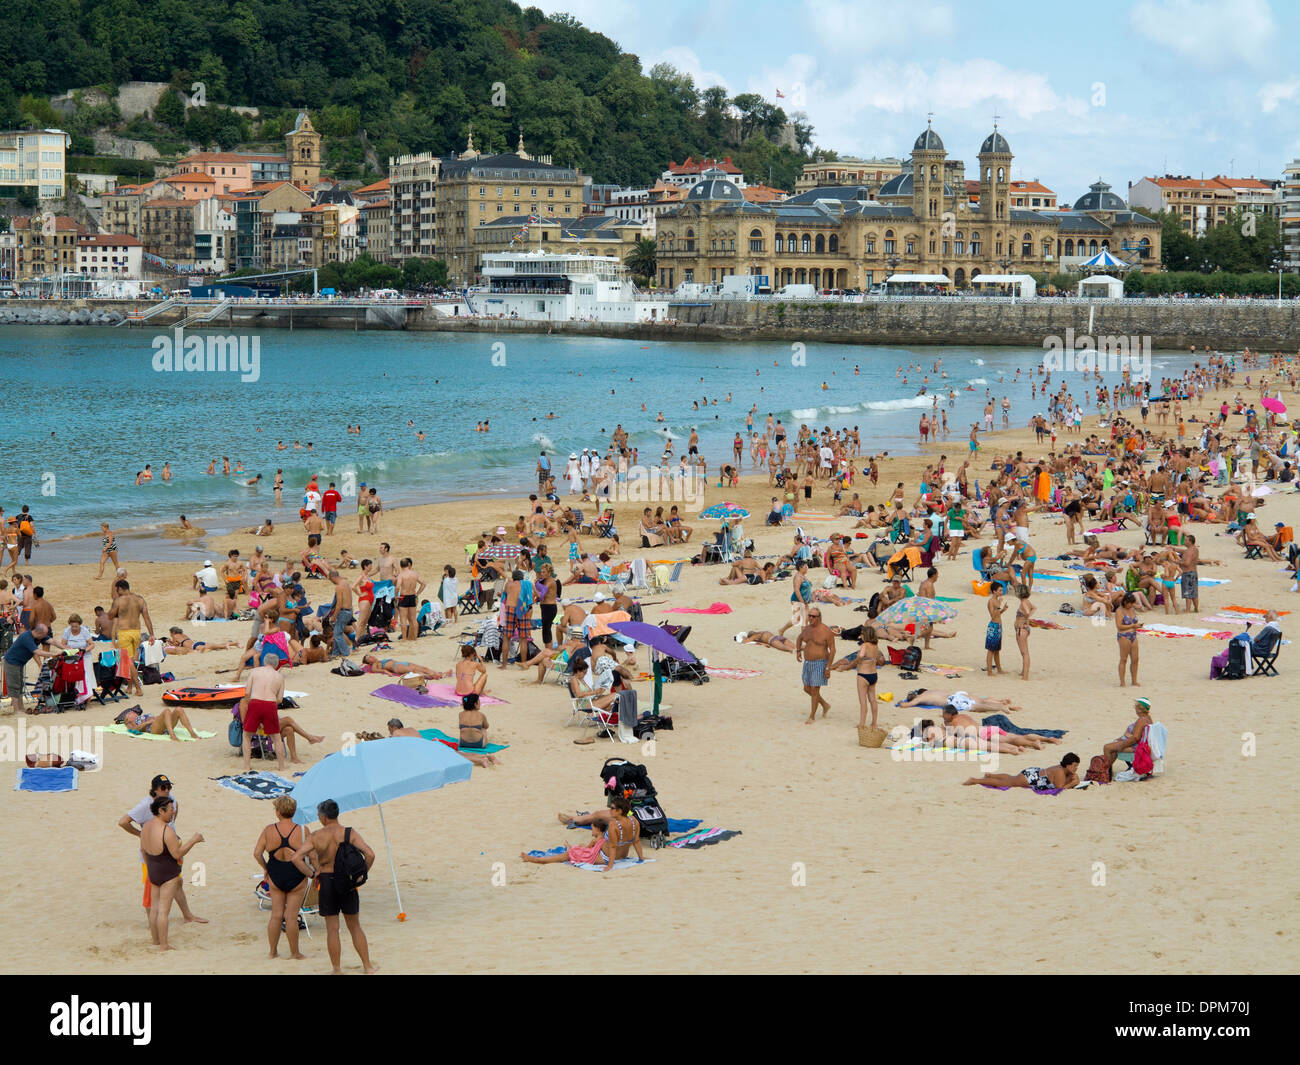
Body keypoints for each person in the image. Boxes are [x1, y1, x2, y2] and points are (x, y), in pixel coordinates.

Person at [291, 799, 378, 974]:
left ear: (323, 817)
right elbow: (370, 854)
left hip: (327, 881)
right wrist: (360, 876)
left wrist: (312, 874)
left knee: (332, 928)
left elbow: (296, 858)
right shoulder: (348, 832)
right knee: (355, 926)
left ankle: (337, 969)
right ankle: (368, 967)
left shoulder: (316, 836)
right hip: (347, 882)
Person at [119, 774, 207, 925]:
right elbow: (123, 822)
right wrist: (140, 834)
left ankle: (187, 915)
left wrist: (169, 827)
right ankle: (152, 925)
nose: (167, 790)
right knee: (152, 891)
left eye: (169, 787)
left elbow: (175, 810)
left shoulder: (170, 799)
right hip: (153, 857)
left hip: (170, 851)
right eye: (163, 788)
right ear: (154, 790)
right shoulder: (144, 805)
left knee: (176, 882)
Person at [140, 793, 204, 950]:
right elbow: (177, 854)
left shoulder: (146, 826)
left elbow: (143, 850)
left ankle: (155, 940)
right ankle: (164, 945)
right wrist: (193, 841)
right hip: (168, 873)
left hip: (153, 871)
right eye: (171, 810)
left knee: (154, 909)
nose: (173, 812)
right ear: (161, 811)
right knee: (163, 911)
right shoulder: (166, 830)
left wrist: (150, 869)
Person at [521, 794, 644, 872]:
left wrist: (610, 865)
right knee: (578, 848)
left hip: (604, 857)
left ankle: (537, 860)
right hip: (622, 856)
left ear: (619, 810)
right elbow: (636, 841)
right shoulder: (634, 821)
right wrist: (641, 858)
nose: (609, 810)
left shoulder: (613, 825)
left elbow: (612, 847)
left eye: (612, 808)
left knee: (568, 855)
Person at [255, 795, 310, 960]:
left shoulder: (269, 830)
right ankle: (295, 953)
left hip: (276, 874)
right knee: (291, 917)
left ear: (278, 812)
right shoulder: (302, 830)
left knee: (276, 915)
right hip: (296, 874)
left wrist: (266, 869)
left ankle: (272, 952)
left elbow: (257, 853)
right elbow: (312, 855)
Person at [239, 656, 287, 771]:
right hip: (270, 704)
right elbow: (280, 699)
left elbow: (247, 692)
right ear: (276, 665)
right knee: (276, 738)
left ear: (264, 662)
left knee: (246, 735)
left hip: (255, 702)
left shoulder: (255, 671)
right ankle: (281, 767)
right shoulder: (279, 677)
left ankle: (247, 766)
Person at [3, 622, 58, 714]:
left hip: (19, 663)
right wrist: (53, 654)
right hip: (12, 662)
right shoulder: (26, 637)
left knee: (20, 685)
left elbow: (53, 641)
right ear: (39, 633)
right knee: (14, 686)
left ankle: (21, 708)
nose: (45, 637)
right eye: (44, 635)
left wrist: (66, 648)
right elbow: (38, 652)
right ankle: (16, 710)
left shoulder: (38, 636)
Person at [795, 607, 835, 725]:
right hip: (808, 663)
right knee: (806, 688)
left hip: (820, 663)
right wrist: (798, 651)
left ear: (819, 617)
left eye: (813, 616)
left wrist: (828, 667)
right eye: (809, 616)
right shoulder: (807, 629)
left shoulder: (826, 631)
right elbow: (799, 638)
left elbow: (832, 650)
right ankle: (825, 705)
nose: (811, 618)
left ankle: (812, 716)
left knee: (814, 689)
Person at [962, 754, 1080, 790]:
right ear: (1068, 765)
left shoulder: (1061, 769)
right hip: (1031, 778)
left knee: (1011, 778)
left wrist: (1072, 777)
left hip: (1034, 773)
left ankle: (991, 775)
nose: (1076, 769)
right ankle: (975, 780)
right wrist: (1073, 783)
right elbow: (1059, 788)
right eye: (1074, 766)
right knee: (1008, 783)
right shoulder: (1060, 772)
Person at [1101, 698, 1154, 775]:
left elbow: (1136, 738)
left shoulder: (1141, 720)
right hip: (1140, 745)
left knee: (1107, 747)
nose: (1134, 708)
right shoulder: (1148, 718)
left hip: (1137, 747)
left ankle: (1106, 773)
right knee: (1113, 746)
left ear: (1139, 709)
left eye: (1135, 706)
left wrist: (1122, 745)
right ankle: (1107, 770)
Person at [855, 628, 887, 729]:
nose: (861, 636)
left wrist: (858, 661)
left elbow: (861, 655)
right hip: (873, 674)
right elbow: (878, 659)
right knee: (873, 700)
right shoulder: (875, 646)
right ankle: (874, 723)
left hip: (863, 675)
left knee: (863, 701)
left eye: (862, 634)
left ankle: (862, 724)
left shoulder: (864, 645)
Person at [1115, 592, 1141, 688]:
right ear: (1125, 602)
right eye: (1130, 603)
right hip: (1124, 636)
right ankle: (1122, 682)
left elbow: (1135, 620)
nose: (1131, 605)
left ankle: (1134, 681)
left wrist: (1136, 625)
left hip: (1133, 635)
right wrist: (1133, 625)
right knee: (1124, 659)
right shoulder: (1119, 611)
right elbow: (1119, 626)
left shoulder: (1132, 609)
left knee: (1135, 659)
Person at [360, 654, 450, 680]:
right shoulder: (375, 664)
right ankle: (433, 676)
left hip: (402, 663)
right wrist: (386, 671)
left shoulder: (378, 660)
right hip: (396, 667)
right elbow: (374, 670)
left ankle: (439, 674)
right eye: (369, 658)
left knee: (424, 668)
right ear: (369, 663)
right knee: (414, 671)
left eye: (370, 655)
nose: (372, 657)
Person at [1013, 583, 1034, 681]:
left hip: (1022, 630)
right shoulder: (1027, 601)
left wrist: (1026, 618)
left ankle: (1025, 676)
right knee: (1024, 653)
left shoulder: (1023, 603)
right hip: (1024, 629)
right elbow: (1034, 608)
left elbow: (1027, 612)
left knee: (1025, 653)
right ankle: (1023, 672)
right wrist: (1027, 619)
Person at [985, 582, 1007, 675]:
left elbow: (997, 613)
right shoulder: (991, 601)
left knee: (997, 649)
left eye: (1002, 590)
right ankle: (989, 671)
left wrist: (1003, 610)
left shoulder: (997, 601)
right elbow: (992, 615)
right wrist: (999, 605)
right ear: (994, 591)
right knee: (991, 650)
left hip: (998, 626)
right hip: (993, 627)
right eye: (1000, 590)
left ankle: (999, 669)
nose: (1001, 592)